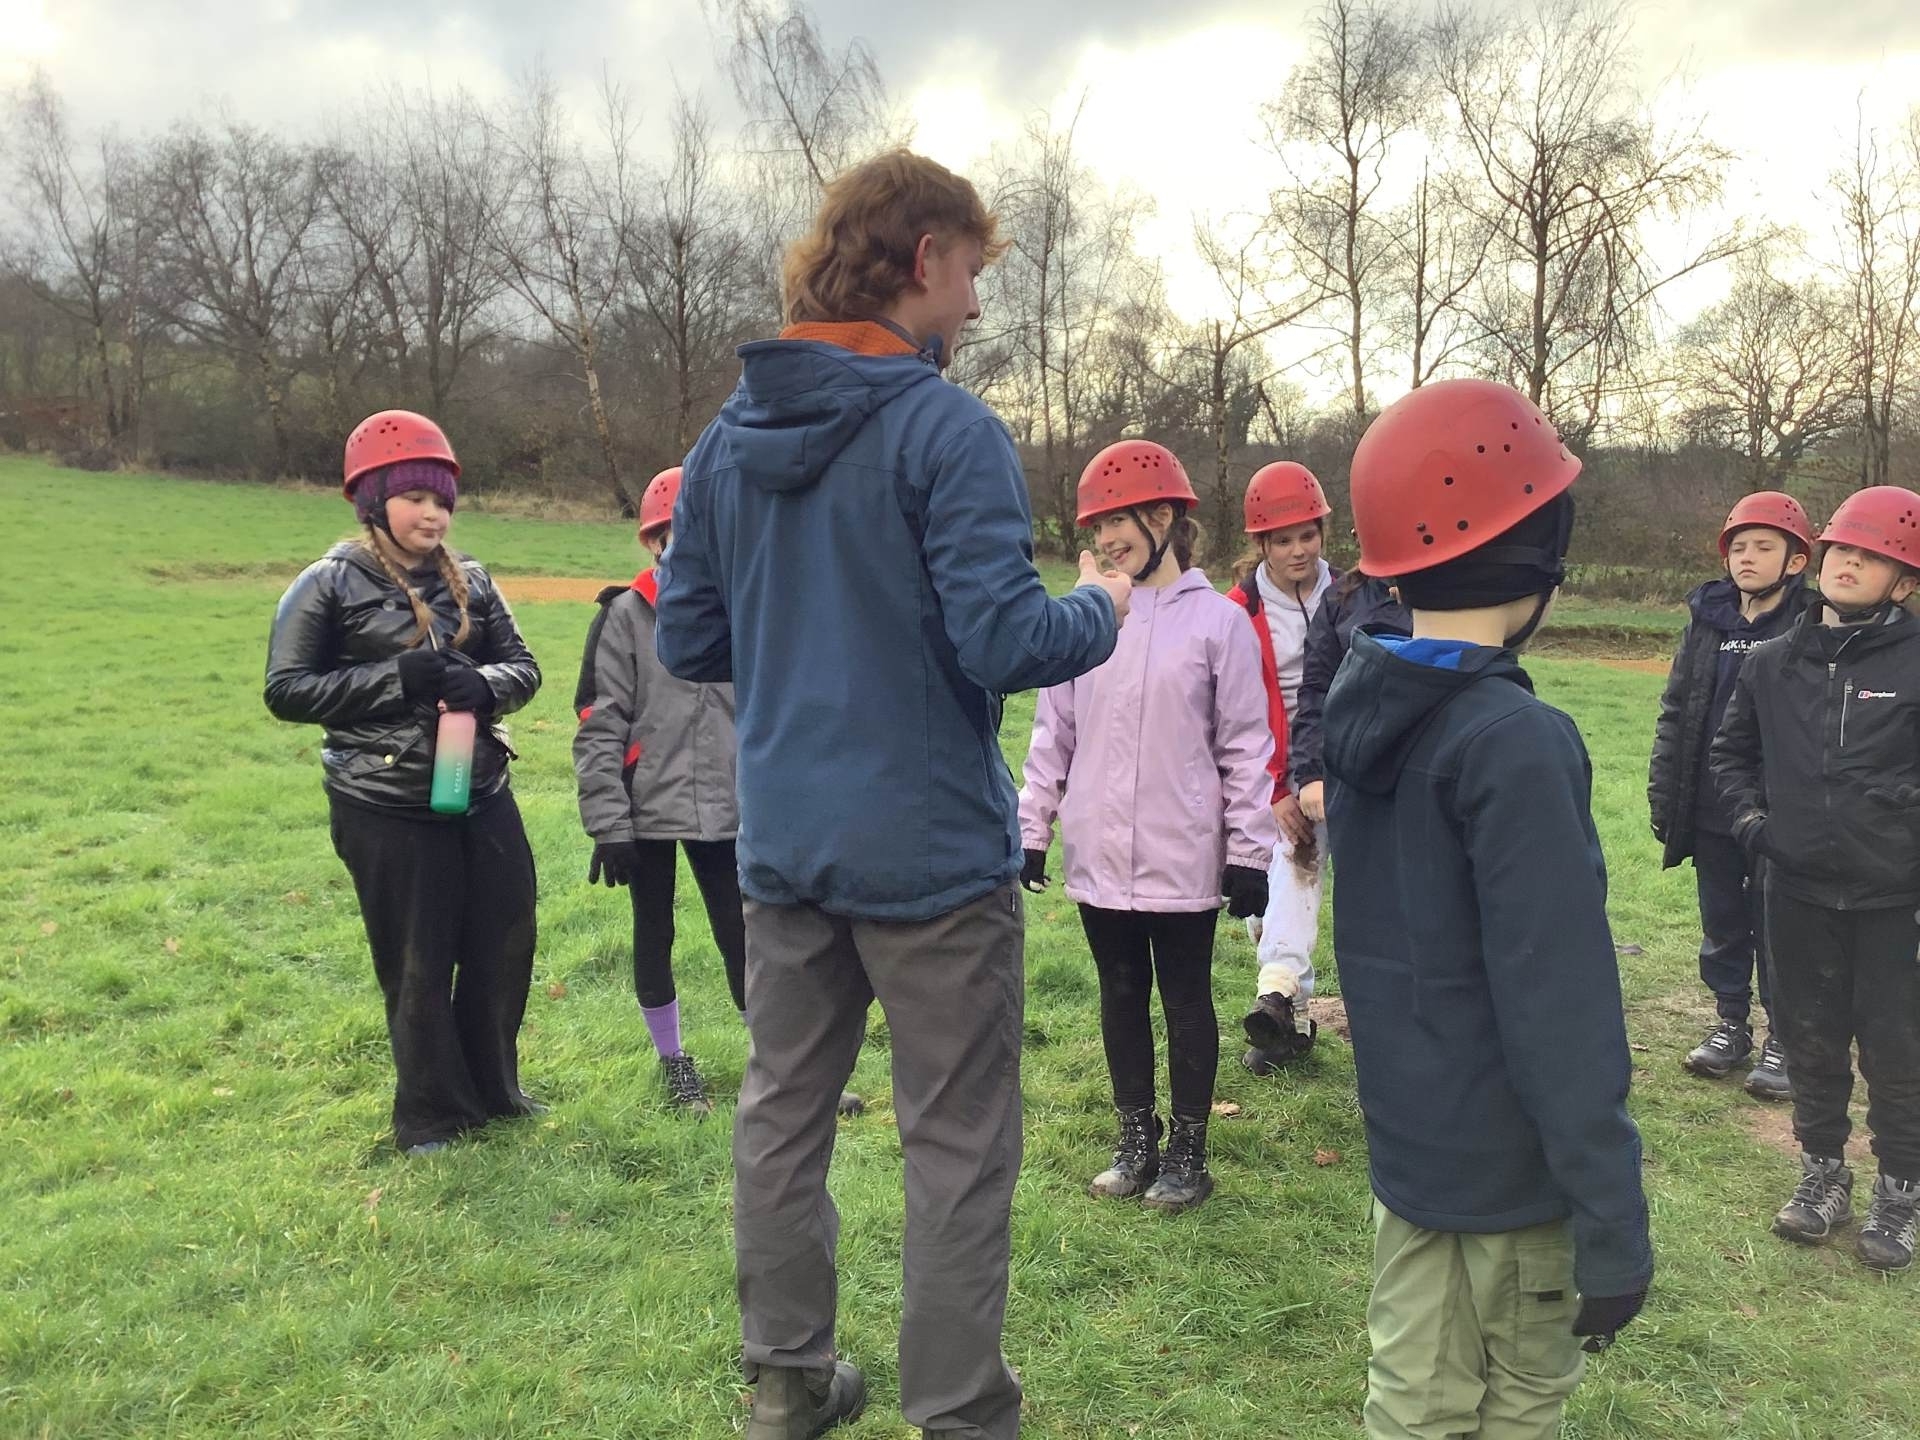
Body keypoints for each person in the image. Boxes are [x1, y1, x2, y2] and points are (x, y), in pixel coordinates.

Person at [654, 149, 1127, 1440]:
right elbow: (1006, 640)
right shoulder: (946, 430)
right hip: (932, 868)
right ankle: (960, 1414)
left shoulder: (723, 443)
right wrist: (1102, 603)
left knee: (780, 1115)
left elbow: (688, 638)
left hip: (784, 849)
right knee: (957, 1143)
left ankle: (786, 1384)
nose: (974, 305)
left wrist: (801, 638)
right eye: (970, 273)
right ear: (922, 261)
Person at [1323, 378, 1653, 1437]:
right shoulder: (1515, 742)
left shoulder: (1364, 709)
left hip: (1413, 1161)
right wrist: (1610, 1210)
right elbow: (1559, 1001)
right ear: (1538, 551)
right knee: (1517, 1408)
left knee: (1411, 1405)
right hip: (1515, 1180)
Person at [264, 409, 542, 1157]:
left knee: (505, 941)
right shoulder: (327, 584)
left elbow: (524, 667)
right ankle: (431, 1116)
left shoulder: (473, 580)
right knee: (418, 960)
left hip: (479, 788)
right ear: (373, 503)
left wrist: (486, 685)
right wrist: (397, 678)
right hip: (383, 801)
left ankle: (495, 1092)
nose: (432, 514)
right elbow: (286, 690)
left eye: (442, 500)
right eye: (415, 498)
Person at [1019, 440, 1277, 1214]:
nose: (1105, 540)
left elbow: (1246, 745)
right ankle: (1136, 1140)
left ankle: (1188, 1153)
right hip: (1099, 848)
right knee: (1121, 993)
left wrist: (1249, 853)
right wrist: (1032, 827)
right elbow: (1053, 733)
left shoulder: (1219, 625)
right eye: (1097, 527)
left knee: (1186, 998)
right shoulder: (1088, 619)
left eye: (1116, 523)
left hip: (1183, 853)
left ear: (1162, 517)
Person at [1711, 485, 1920, 1273]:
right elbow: (1731, 755)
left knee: (1898, 1051)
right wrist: (1756, 830)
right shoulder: (1773, 662)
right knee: (1810, 1039)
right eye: (1842, 549)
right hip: (1795, 892)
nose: (1849, 564)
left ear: (1904, 581)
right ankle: (1823, 1173)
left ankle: (1899, 1192)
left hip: (1894, 898)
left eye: (1872, 555)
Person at [572, 465, 747, 1117]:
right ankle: (673, 1063)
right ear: (653, 541)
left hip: (729, 806)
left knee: (746, 936)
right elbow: (600, 722)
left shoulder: (749, 610)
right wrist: (608, 823)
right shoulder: (623, 616)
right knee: (655, 933)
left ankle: (780, 1065)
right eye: (678, 535)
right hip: (643, 809)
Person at [1228, 462, 1410, 1073]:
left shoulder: (1353, 596)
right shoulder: (1237, 611)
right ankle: (1292, 1018)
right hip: (1269, 765)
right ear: (1261, 544)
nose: (1298, 550)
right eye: (1282, 540)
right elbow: (1235, 711)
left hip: (1340, 760)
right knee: (1268, 898)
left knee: (1298, 863)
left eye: (1307, 535)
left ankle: (1280, 994)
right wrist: (1276, 786)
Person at [1650, 492, 1814, 1099]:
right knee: (1722, 921)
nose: (1747, 557)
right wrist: (1665, 792)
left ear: (1796, 561)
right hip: (1710, 805)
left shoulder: (1813, 624)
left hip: (1777, 810)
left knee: (1781, 927)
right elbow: (1676, 709)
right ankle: (1730, 1024)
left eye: (1764, 547)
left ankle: (1784, 1038)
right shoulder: (1707, 621)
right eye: (1738, 547)